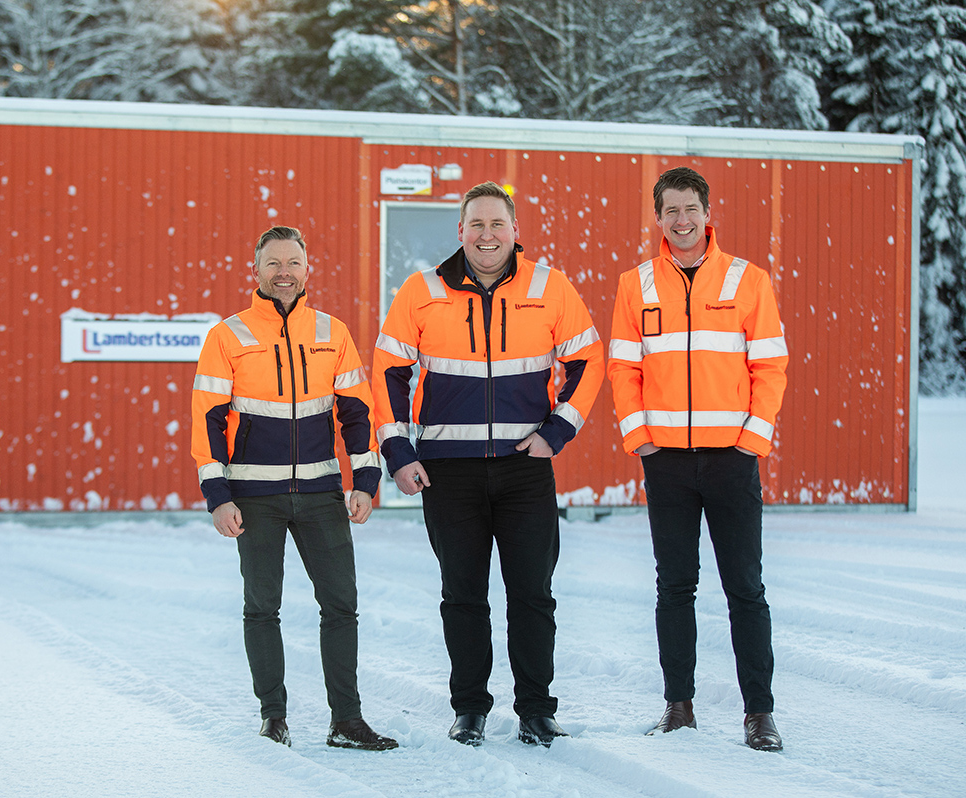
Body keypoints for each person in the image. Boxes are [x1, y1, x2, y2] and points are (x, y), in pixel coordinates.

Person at [372, 181, 604, 747]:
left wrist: (559, 431)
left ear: (515, 231)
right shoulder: (421, 292)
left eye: (497, 224)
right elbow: (387, 371)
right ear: (460, 231)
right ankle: (470, 708)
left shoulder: (550, 288)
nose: (487, 235)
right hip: (448, 471)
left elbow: (589, 360)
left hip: (525, 468)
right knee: (463, 595)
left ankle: (535, 710)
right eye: (476, 224)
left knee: (532, 594)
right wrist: (398, 451)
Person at [191, 226, 397, 751]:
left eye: (293, 262)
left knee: (341, 605)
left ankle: (346, 722)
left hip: (321, 495)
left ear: (309, 269)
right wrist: (218, 496)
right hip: (253, 497)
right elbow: (208, 421)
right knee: (262, 607)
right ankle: (273, 716)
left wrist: (366, 481)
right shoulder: (228, 335)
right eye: (273, 263)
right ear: (255, 271)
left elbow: (356, 414)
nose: (284, 272)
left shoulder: (333, 331)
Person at [607, 166, 788, 751]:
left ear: (709, 214)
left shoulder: (747, 280)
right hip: (668, 465)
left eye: (691, 209)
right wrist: (642, 440)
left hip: (732, 461)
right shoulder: (636, 284)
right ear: (657, 218)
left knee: (746, 589)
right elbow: (623, 369)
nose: (681, 221)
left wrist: (752, 441)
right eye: (670, 211)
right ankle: (678, 707)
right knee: (674, 587)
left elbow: (770, 367)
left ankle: (759, 714)